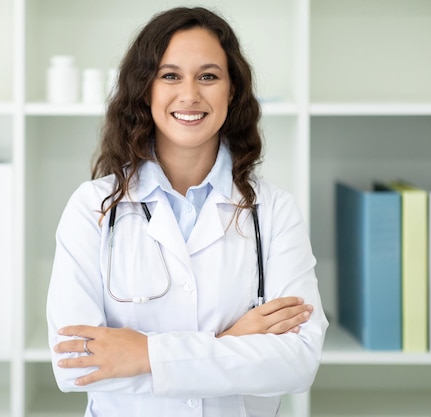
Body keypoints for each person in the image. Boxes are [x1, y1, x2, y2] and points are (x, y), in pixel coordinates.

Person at [46, 6, 328, 417]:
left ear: (231, 91)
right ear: (146, 89)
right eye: (170, 75)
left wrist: (143, 353)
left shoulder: (273, 211)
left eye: (209, 76)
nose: (190, 94)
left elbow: (298, 362)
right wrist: (233, 340)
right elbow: (75, 366)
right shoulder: (92, 208)